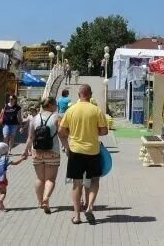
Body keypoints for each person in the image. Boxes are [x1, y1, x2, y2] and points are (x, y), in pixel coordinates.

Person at [59, 83, 108, 226]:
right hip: (93, 151)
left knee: (77, 184)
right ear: (90, 94)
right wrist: (94, 132)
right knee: (94, 181)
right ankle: (90, 207)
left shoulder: (71, 110)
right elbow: (104, 131)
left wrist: (70, 139)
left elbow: (61, 132)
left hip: (75, 151)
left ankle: (76, 216)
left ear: (79, 95)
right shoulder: (96, 110)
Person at [23, 96, 61, 213]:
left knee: (40, 178)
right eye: (55, 104)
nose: (56, 107)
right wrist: (68, 148)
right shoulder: (57, 117)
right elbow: (62, 135)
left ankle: (40, 202)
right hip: (52, 152)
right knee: (50, 179)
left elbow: (30, 137)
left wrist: (25, 151)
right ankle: (46, 198)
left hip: (37, 152)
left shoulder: (34, 118)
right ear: (50, 105)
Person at [0, 141, 23, 211]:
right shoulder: (6, 159)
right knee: (3, 192)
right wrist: (22, 159)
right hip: (2, 178)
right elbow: (15, 163)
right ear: (5, 151)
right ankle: (1, 200)